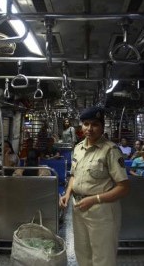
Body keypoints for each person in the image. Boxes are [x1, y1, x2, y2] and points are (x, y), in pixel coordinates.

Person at [59, 106, 130, 266]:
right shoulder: (78, 148)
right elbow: (74, 175)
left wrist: (94, 199)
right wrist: (67, 193)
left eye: (95, 124)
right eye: (85, 124)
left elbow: (124, 187)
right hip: (78, 208)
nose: (89, 128)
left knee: (102, 257)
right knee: (83, 254)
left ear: (102, 126)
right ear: (81, 126)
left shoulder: (110, 150)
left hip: (102, 210)